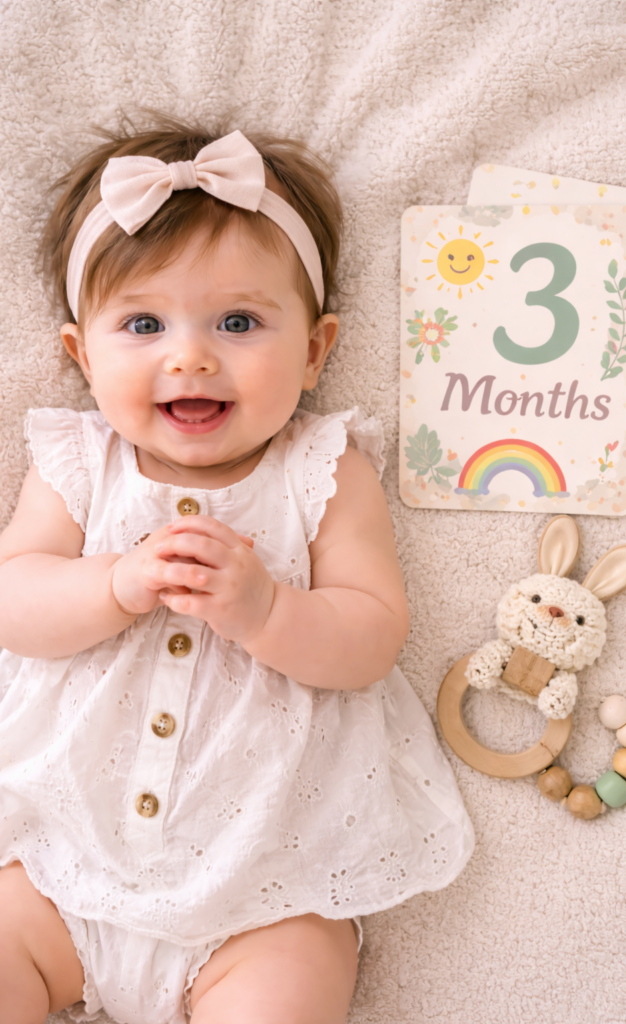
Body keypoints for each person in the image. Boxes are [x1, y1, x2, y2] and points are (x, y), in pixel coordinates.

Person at [0, 117, 474, 1024]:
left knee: (290, 986)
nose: (191, 354)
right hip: (57, 864)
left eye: (239, 322)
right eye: (143, 324)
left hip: (266, 886)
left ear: (315, 350)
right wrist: (112, 584)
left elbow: (371, 636)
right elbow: (14, 601)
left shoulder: (323, 469)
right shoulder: (78, 464)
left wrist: (266, 612)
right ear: (82, 356)